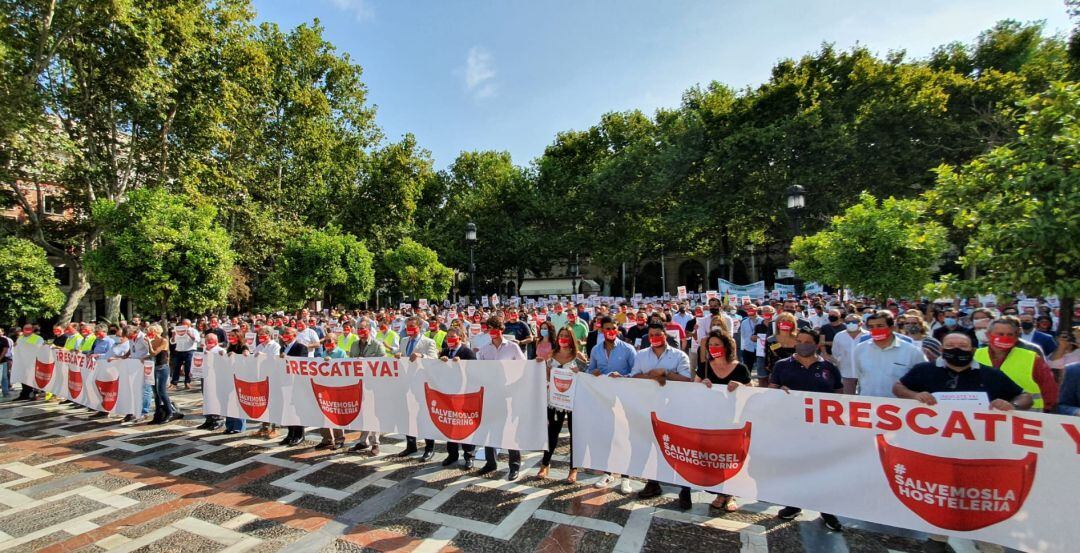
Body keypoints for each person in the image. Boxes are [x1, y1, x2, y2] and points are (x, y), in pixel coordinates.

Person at [769, 329, 844, 532]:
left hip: (821, 429)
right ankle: (794, 504)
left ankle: (827, 510)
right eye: (799, 341)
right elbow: (771, 391)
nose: (803, 344)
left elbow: (840, 395)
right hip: (791, 427)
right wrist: (778, 393)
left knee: (823, 469)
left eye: (807, 341)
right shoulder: (782, 365)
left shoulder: (829, 367)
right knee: (795, 466)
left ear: (815, 344)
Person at [622, 322, 694, 507]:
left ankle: (685, 490)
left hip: (674, 409)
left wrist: (667, 374)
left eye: (658, 334)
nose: (654, 337)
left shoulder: (679, 355)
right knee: (650, 446)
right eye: (651, 334)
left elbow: (687, 380)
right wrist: (652, 376)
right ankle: (652, 483)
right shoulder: (642, 355)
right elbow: (634, 376)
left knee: (677, 448)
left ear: (665, 335)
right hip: (649, 406)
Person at [696, 330, 751, 512]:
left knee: (731, 458)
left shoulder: (740, 368)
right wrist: (701, 386)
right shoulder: (704, 367)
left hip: (732, 421)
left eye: (717, 344)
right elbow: (692, 390)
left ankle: (730, 493)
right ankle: (721, 492)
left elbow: (751, 393)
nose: (713, 348)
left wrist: (741, 387)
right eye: (710, 345)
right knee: (715, 458)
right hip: (710, 420)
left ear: (727, 347)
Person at [475, 316, 526, 481]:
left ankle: (514, 466)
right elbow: (479, 372)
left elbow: (524, 368)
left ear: (501, 330)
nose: (492, 332)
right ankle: (491, 462)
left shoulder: (512, 347)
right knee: (489, 429)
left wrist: (514, 386)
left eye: (495, 329)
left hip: (508, 395)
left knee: (509, 430)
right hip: (490, 395)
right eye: (490, 329)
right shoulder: (484, 349)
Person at [975, 318, 1058, 413]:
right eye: (1000, 334)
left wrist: (1049, 412)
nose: (1005, 337)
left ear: (1016, 337)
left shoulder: (1031, 357)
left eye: (1010, 335)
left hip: (1027, 415)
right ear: (988, 335)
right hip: (985, 415)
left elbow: (1049, 389)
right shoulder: (976, 355)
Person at [538, 327, 586, 482]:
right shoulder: (551, 354)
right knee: (552, 432)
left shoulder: (578, 355)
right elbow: (546, 375)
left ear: (571, 338)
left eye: (566, 336)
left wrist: (580, 370)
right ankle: (545, 464)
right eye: (561, 336)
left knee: (575, 434)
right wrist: (542, 365)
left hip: (573, 400)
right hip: (555, 399)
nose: (563, 338)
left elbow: (586, 375)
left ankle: (573, 468)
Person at [853, 311, 926, 398]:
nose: (875, 329)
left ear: (892, 328)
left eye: (880, 326)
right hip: (868, 405)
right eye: (871, 327)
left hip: (899, 407)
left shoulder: (912, 352)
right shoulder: (860, 349)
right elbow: (859, 376)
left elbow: (923, 378)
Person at [399, 317, 440, 461]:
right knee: (408, 415)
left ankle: (429, 448)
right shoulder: (404, 341)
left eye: (411, 326)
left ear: (419, 327)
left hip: (423, 383)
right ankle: (411, 445)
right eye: (407, 326)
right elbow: (403, 359)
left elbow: (434, 359)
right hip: (407, 383)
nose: (409, 329)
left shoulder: (429, 342)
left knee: (425, 416)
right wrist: (398, 356)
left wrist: (421, 355)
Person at [438, 327, 478, 467]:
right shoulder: (444, 352)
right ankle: (452, 454)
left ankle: (469, 456)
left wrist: (462, 364)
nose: (450, 339)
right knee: (450, 425)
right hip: (448, 394)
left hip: (464, 394)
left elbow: (475, 371)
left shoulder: (467, 352)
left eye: (453, 336)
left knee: (465, 424)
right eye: (448, 337)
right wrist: (441, 362)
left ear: (460, 337)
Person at [348, 326, 387, 455]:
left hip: (374, 384)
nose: (362, 335)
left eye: (364, 332)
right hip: (358, 383)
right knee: (363, 413)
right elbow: (349, 361)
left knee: (374, 413)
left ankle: (375, 443)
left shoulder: (377, 344)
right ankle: (363, 441)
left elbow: (383, 361)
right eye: (360, 333)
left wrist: (366, 362)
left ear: (369, 331)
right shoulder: (354, 344)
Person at [279, 327, 309, 446]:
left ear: (294, 335)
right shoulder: (283, 348)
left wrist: (287, 359)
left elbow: (302, 363)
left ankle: (299, 434)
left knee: (297, 409)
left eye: (287, 333)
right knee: (287, 410)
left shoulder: (301, 347)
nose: (284, 335)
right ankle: (290, 433)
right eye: (284, 333)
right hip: (285, 382)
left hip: (296, 383)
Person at [252, 327, 282, 439]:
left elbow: (276, 359)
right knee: (264, 402)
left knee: (274, 402)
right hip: (261, 377)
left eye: (262, 334)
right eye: (259, 335)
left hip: (273, 377)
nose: (260, 337)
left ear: (268, 334)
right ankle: (264, 426)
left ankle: (275, 427)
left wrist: (263, 356)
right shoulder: (259, 346)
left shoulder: (275, 346)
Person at [148, 324, 181, 424]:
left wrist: (149, 343)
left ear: (156, 331)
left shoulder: (164, 341)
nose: (149, 333)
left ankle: (170, 412)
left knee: (161, 391)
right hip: (154, 367)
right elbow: (150, 354)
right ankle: (158, 413)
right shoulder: (152, 341)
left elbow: (154, 353)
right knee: (155, 393)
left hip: (162, 367)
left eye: (151, 331)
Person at [832, 314, 867, 395]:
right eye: (848, 322)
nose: (850, 324)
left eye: (853, 321)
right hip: (846, 373)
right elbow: (835, 353)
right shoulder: (839, 336)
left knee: (865, 398)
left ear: (860, 323)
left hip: (864, 374)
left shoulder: (868, 336)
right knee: (848, 398)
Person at [222, 329, 249, 434]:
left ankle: (239, 426)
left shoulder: (243, 347)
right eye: (229, 335)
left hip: (240, 378)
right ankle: (230, 425)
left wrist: (241, 354)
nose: (230, 337)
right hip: (229, 377)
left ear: (238, 336)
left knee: (238, 402)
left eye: (233, 335)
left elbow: (246, 355)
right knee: (229, 402)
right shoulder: (230, 347)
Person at [196, 333, 225, 431]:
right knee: (206, 398)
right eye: (207, 340)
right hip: (205, 376)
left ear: (216, 341)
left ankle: (217, 420)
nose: (208, 342)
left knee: (215, 399)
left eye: (210, 340)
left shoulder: (220, 350)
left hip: (215, 377)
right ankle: (209, 419)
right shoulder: (204, 350)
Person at [170, 319, 199, 389]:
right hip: (179, 350)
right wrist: (173, 336)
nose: (183, 325)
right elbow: (172, 342)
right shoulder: (178, 330)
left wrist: (190, 334)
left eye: (185, 324)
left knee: (188, 367)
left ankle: (187, 382)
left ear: (189, 325)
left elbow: (197, 340)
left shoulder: (193, 331)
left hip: (189, 350)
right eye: (182, 324)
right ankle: (174, 383)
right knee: (176, 367)